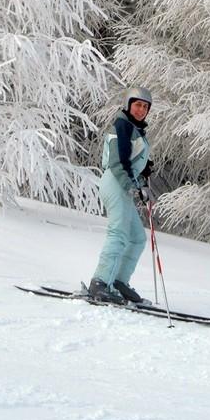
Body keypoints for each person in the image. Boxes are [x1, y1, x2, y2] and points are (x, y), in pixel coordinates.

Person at [89, 87, 153, 304]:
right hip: (115, 183)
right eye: (137, 105)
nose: (141, 110)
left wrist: (142, 177)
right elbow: (118, 162)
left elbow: (131, 161)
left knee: (137, 238)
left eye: (145, 107)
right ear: (128, 105)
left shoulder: (135, 130)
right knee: (118, 233)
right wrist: (132, 186)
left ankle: (118, 282)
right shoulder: (122, 126)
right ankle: (99, 282)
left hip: (123, 183)